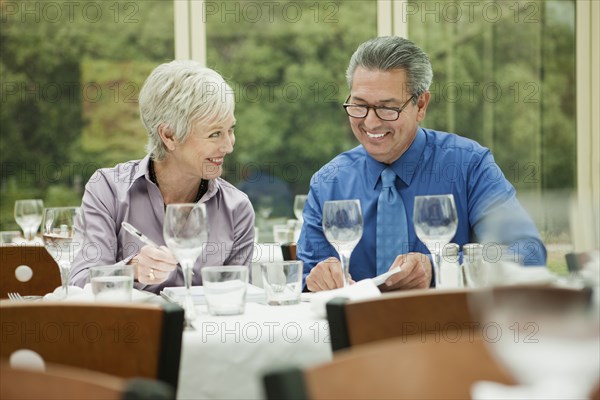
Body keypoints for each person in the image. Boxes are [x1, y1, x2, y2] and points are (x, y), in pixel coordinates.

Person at [297, 36, 546, 292]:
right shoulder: (328, 182)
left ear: (421, 105)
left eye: (388, 108)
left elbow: (527, 254)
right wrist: (317, 276)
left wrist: (439, 269)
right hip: (354, 330)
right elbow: (302, 276)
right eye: (359, 106)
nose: (370, 122)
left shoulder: (469, 165)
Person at [70, 61, 255, 293]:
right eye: (215, 134)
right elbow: (79, 285)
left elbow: (241, 301)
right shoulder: (107, 190)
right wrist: (132, 270)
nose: (228, 146)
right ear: (169, 135)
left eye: (231, 130)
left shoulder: (237, 208)